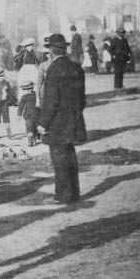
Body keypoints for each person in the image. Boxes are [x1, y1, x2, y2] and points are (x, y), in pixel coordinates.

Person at [36, 33, 86, 204]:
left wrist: (43, 123)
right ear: (64, 49)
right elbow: (82, 99)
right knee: (70, 156)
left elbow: (51, 100)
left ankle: (63, 196)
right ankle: (74, 193)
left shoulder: (53, 70)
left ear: (51, 51)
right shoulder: (76, 68)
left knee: (59, 159)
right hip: (73, 120)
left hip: (57, 122)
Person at [17, 81, 39, 146]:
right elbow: (21, 106)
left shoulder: (34, 95)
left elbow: (21, 106)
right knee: (30, 127)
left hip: (33, 114)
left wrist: (19, 114)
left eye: (24, 90)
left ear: (29, 89)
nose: (24, 91)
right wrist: (19, 114)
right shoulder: (28, 96)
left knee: (32, 128)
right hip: (31, 115)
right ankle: (30, 140)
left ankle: (33, 139)